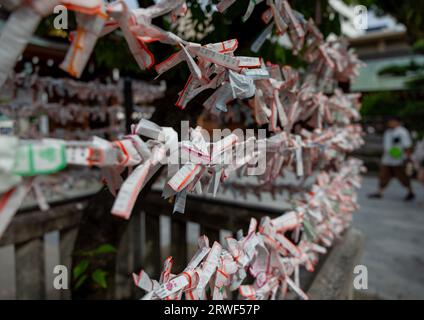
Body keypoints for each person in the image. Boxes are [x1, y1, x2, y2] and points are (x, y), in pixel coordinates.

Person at [369, 116, 415, 201]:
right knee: (383, 176)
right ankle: (380, 192)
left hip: (399, 159)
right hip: (387, 159)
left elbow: (407, 146)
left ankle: (410, 192)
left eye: (392, 121)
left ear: (397, 122)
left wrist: (408, 158)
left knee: (403, 176)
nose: (390, 123)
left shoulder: (402, 132)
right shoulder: (388, 132)